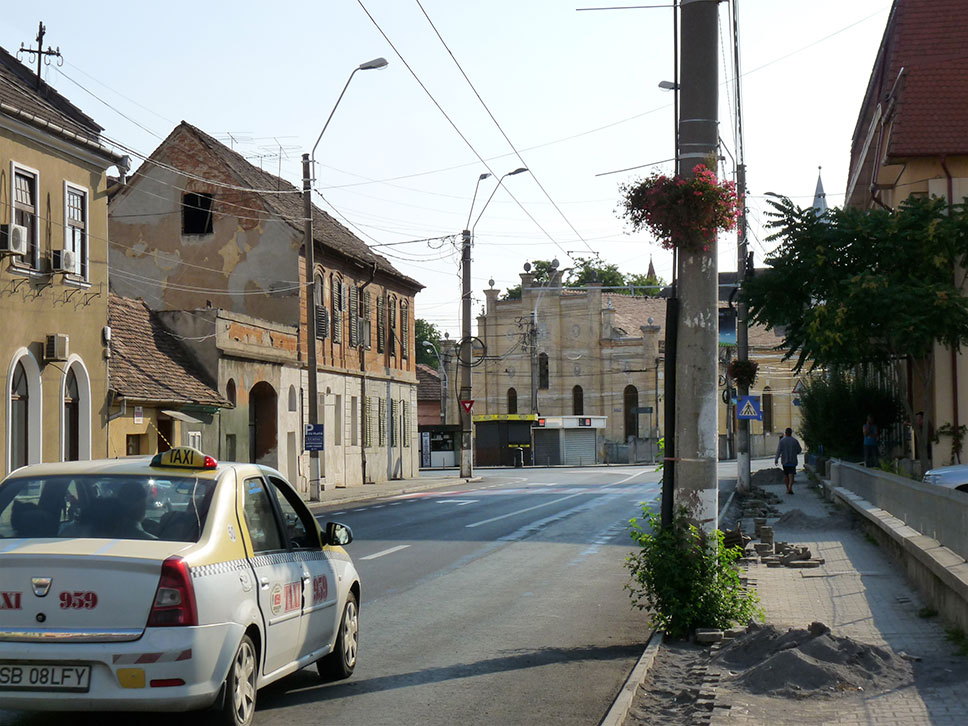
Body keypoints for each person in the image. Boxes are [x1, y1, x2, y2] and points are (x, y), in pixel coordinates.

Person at [774, 427, 802, 495]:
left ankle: (787, 489)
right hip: (793, 461)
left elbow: (778, 451)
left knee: (786, 475)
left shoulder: (782, 441)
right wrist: (795, 452)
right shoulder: (795, 441)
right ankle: (790, 487)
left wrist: (776, 459)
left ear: (785, 433)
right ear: (791, 433)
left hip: (785, 461)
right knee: (791, 474)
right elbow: (799, 450)